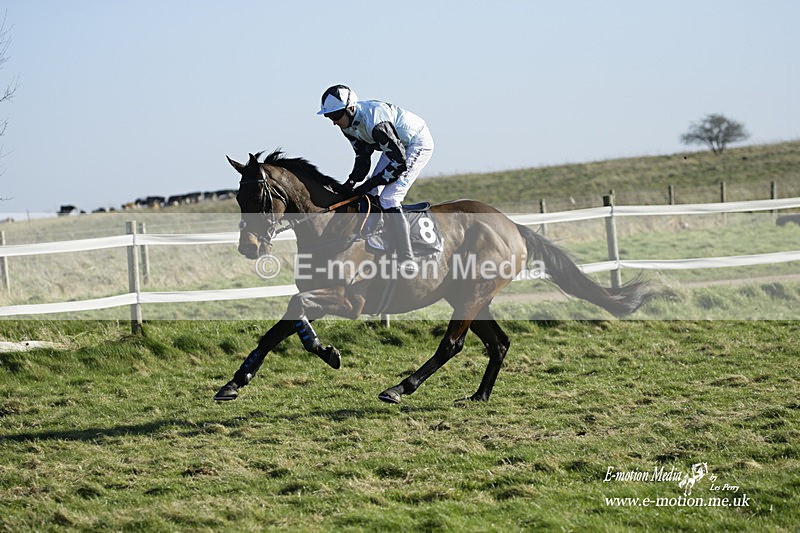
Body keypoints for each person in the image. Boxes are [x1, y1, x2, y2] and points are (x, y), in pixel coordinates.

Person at [318, 84, 434, 272]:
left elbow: (399, 164)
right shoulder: (347, 126)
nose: (333, 122)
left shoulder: (376, 123)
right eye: (329, 116)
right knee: (371, 193)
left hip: (415, 143)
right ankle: (378, 238)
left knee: (389, 197)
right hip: (395, 146)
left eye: (336, 116)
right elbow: (363, 158)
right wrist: (351, 182)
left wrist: (372, 181)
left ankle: (407, 256)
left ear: (351, 108)